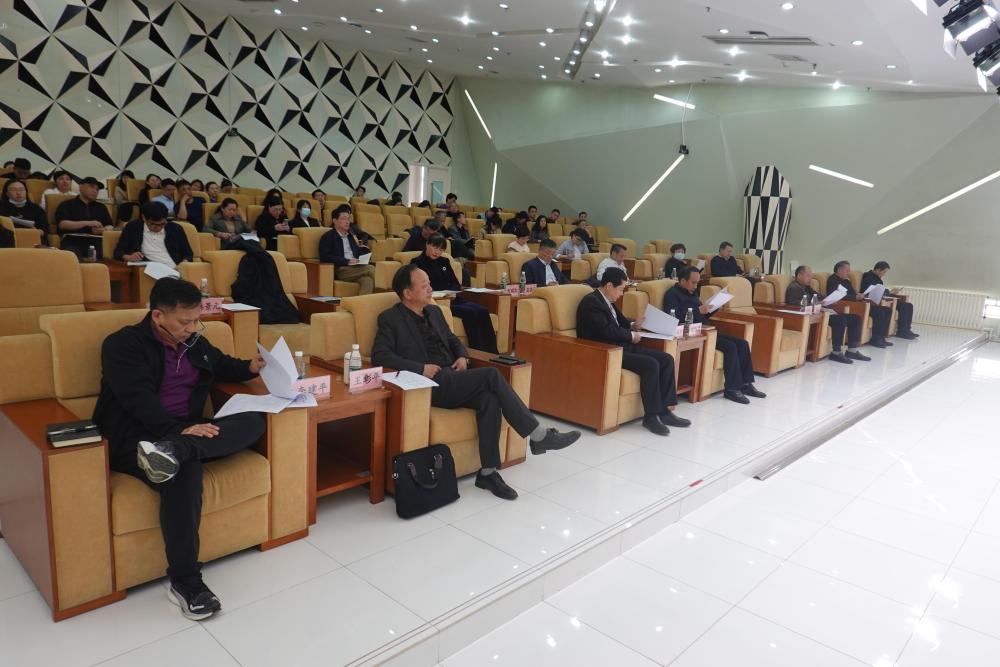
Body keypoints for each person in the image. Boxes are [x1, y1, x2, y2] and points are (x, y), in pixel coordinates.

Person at [93, 277, 268, 620]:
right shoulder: (122, 345)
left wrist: (249, 367)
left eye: (196, 321)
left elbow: (221, 364)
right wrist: (178, 430)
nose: (192, 329)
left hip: (184, 435)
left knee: (253, 420)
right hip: (136, 439)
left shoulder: (194, 342)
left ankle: (176, 450)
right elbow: (137, 400)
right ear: (158, 315)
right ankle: (187, 582)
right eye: (185, 322)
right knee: (182, 470)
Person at [372, 264, 580, 498]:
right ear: (407, 293)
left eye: (429, 283)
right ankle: (539, 435)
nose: (430, 288)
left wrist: (462, 355)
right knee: (491, 375)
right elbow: (381, 355)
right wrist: (420, 368)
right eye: (424, 285)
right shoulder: (390, 318)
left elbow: (452, 339)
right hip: (428, 385)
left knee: (489, 399)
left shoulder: (435, 312)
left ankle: (488, 473)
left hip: (454, 377)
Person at [577, 268, 691, 435]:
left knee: (666, 359)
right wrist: (631, 336)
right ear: (609, 286)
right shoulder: (591, 303)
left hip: (621, 346)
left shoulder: (607, 300)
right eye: (621, 289)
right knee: (650, 364)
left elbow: (620, 323)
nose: (621, 294)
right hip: (606, 351)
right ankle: (650, 417)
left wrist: (633, 326)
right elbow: (605, 331)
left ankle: (665, 411)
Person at [665, 267, 765, 404]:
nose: (696, 286)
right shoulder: (672, 295)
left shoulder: (692, 293)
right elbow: (674, 318)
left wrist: (712, 308)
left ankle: (746, 384)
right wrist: (698, 310)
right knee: (730, 347)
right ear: (682, 281)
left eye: (697, 283)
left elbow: (702, 314)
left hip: (707, 329)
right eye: (693, 282)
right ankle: (732, 389)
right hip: (693, 334)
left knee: (742, 344)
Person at [411, 235, 498, 352]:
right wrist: (439, 294)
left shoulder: (444, 261)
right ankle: (478, 351)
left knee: (482, 310)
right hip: (437, 301)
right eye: (435, 248)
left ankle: (492, 352)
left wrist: (452, 292)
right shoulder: (417, 262)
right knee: (471, 312)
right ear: (427, 244)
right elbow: (419, 286)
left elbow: (455, 283)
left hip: (453, 298)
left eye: (441, 250)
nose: (437, 252)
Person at [786, 266, 869, 364]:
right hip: (814, 315)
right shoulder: (794, 288)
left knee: (856, 318)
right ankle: (836, 353)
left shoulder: (807, 287)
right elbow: (795, 304)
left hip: (822, 311)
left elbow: (818, 296)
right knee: (840, 320)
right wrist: (817, 304)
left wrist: (830, 299)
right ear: (799, 275)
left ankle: (852, 351)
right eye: (808, 276)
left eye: (811, 276)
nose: (810, 279)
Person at [827, 260, 893, 348]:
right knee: (879, 312)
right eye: (847, 270)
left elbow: (853, 293)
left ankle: (881, 337)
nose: (849, 272)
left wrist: (858, 295)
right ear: (839, 270)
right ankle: (876, 339)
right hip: (849, 305)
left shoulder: (846, 281)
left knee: (887, 310)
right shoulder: (833, 280)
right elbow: (836, 296)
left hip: (857, 303)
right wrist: (855, 297)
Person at [114, 202, 193, 268]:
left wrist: (183, 265)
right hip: (149, 269)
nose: (158, 228)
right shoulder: (133, 227)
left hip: (175, 268)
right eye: (153, 224)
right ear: (144, 218)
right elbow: (118, 252)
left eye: (162, 224)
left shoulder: (175, 228)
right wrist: (129, 257)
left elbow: (188, 254)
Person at [318, 207, 375, 294]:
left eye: (348, 219)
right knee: (371, 269)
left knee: (367, 281)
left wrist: (363, 256)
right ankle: (394, 291)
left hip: (356, 268)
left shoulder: (350, 236)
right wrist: (346, 261)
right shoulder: (328, 237)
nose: (347, 222)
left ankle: (359, 303)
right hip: (341, 269)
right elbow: (325, 256)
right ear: (335, 221)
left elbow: (356, 252)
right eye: (344, 219)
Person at [861, 261, 917, 340]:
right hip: (873, 302)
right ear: (878, 270)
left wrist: (890, 293)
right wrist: (890, 292)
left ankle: (906, 329)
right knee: (893, 309)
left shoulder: (877, 278)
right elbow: (873, 292)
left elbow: (881, 291)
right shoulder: (868, 277)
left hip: (882, 300)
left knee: (908, 305)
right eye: (884, 272)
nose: (884, 274)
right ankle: (900, 332)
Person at [0, 179, 48, 245]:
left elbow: (44, 229)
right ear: (7, 193)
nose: (18, 193)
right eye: (13, 190)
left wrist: (34, 232)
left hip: (33, 240)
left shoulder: (36, 209)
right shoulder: (2, 207)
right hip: (8, 241)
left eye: (21, 189)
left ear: (26, 192)